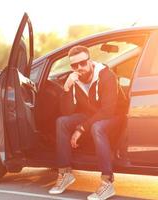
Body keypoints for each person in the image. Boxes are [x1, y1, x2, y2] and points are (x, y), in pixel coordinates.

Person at [49, 45, 120, 200]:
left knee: (96, 127)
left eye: (82, 63)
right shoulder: (74, 79)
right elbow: (67, 112)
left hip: (115, 116)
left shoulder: (106, 75)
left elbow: (108, 110)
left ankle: (107, 182)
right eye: (75, 65)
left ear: (90, 61)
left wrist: (81, 128)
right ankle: (65, 173)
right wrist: (67, 88)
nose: (79, 68)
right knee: (61, 122)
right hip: (91, 116)